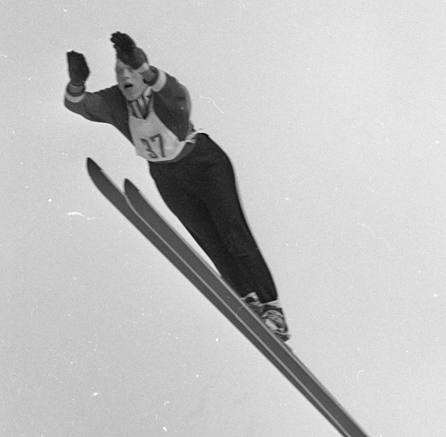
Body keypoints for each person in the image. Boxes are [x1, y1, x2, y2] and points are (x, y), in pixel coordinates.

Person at [63, 31, 289, 341]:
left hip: (205, 165)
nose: (124, 76)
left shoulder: (166, 96)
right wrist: (77, 82)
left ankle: (272, 307)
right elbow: (78, 105)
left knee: (232, 231)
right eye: (119, 71)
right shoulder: (115, 102)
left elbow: (171, 88)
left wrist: (140, 64)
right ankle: (248, 299)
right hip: (167, 177)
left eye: (129, 70)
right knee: (208, 239)